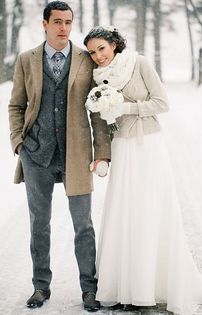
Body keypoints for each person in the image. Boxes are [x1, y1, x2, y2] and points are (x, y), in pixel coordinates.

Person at [83, 26, 202, 315]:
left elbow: (162, 103)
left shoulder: (139, 63)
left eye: (101, 48)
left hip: (147, 145)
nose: (98, 56)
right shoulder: (97, 78)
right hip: (122, 147)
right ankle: (123, 286)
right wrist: (102, 152)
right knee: (124, 212)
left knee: (150, 211)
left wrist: (125, 108)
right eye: (92, 52)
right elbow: (102, 122)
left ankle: (150, 287)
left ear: (114, 44)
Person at [8, 2, 111, 312]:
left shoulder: (86, 59)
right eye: (57, 22)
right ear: (45, 24)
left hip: (76, 154)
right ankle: (41, 287)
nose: (63, 27)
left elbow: (98, 110)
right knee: (39, 224)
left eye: (68, 22)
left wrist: (102, 152)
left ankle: (89, 290)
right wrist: (18, 143)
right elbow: (16, 105)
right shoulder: (27, 60)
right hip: (36, 154)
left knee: (84, 226)